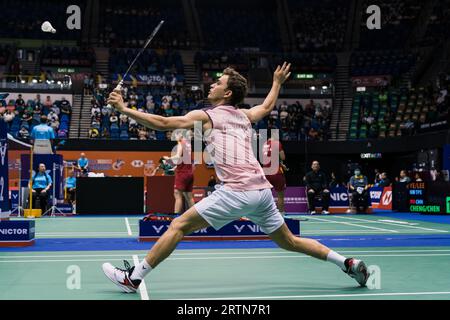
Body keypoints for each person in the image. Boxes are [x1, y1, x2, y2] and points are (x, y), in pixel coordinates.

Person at [102, 63, 368, 294]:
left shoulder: (206, 116)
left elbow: (162, 123)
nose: (212, 85)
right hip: (262, 193)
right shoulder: (244, 116)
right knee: (290, 242)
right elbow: (266, 106)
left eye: (217, 83)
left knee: (179, 226)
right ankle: (347, 263)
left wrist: (124, 109)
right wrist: (276, 83)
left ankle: (133, 278)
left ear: (227, 93)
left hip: (236, 191)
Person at [163, 130, 195, 214]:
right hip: (189, 173)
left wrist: (168, 159)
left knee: (177, 194)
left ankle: (176, 216)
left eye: (176, 135)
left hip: (182, 174)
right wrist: (174, 168)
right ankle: (195, 215)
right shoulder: (188, 145)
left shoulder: (181, 143)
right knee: (189, 196)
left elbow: (177, 156)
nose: (175, 136)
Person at [262, 130, 287, 215]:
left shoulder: (264, 144)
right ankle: (281, 214)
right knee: (280, 195)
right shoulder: (277, 143)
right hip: (276, 173)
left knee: (266, 196)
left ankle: (266, 213)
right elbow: (283, 157)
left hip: (266, 172)